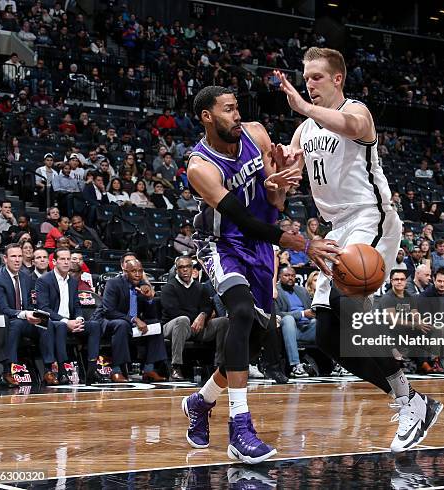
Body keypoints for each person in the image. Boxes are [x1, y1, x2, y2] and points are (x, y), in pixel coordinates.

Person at [274, 47, 442, 453]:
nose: (309, 84)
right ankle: (412, 401)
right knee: (330, 339)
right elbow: (285, 182)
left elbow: (349, 126)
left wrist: (302, 107)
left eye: (316, 77)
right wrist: (278, 175)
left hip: (372, 216)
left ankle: (410, 403)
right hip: (338, 229)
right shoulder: (304, 132)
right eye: (305, 77)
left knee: (346, 304)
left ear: (337, 79)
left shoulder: (358, 111)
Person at [181, 86, 338, 464]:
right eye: (229, 109)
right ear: (207, 116)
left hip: (261, 246)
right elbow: (244, 220)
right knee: (240, 312)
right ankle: (240, 427)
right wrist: (305, 245)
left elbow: (272, 204)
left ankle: (200, 402)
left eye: (238, 108)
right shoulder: (200, 167)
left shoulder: (257, 134)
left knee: (254, 338)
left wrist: (280, 187)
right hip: (222, 242)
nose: (237, 115)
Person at [90, 258, 168, 383]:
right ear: (125, 272)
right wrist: (134, 319)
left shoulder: (142, 286)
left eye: (140, 271)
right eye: (133, 271)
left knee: (155, 325)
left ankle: (149, 369)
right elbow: (109, 311)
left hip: (129, 324)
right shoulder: (113, 283)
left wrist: (149, 299)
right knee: (121, 324)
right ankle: (116, 371)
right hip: (108, 321)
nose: (137, 274)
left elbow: (150, 315)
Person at [0, 244, 59, 385]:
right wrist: (24, 314)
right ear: (5, 259)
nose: (17, 260)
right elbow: (3, 309)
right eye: (13, 256)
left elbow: (30, 304)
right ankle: (8, 370)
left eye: (19, 256)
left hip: (26, 318)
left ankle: (48, 369)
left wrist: (33, 313)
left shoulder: (26, 277)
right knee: (16, 324)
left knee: (45, 321)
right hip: (10, 319)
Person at [35, 248, 102, 384]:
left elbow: (77, 305)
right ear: (54, 262)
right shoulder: (44, 280)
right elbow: (44, 308)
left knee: (94, 325)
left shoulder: (72, 281)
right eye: (62, 259)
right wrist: (66, 321)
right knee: (60, 326)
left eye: (68, 259)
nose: (66, 262)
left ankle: (92, 369)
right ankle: (62, 371)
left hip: (71, 321)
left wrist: (79, 319)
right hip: (53, 321)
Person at [161, 255, 228, 381]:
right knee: (182, 319)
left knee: (223, 322)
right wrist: (198, 317)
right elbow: (173, 312)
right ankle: (176, 366)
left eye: (187, 267)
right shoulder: (169, 287)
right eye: (181, 267)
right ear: (176, 270)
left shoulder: (200, 287)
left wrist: (202, 315)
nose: (185, 270)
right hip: (172, 326)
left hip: (196, 328)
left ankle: (219, 366)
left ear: (193, 269)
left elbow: (208, 307)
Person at [275, 266, 315, 377]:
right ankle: (296, 366)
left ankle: (337, 364)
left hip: (305, 328)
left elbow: (310, 310)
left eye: (293, 276)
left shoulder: (301, 290)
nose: (290, 278)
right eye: (286, 275)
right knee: (288, 319)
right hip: (287, 329)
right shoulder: (276, 291)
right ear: (279, 277)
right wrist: (302, 314)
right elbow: (277, 313)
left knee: (322, 322)